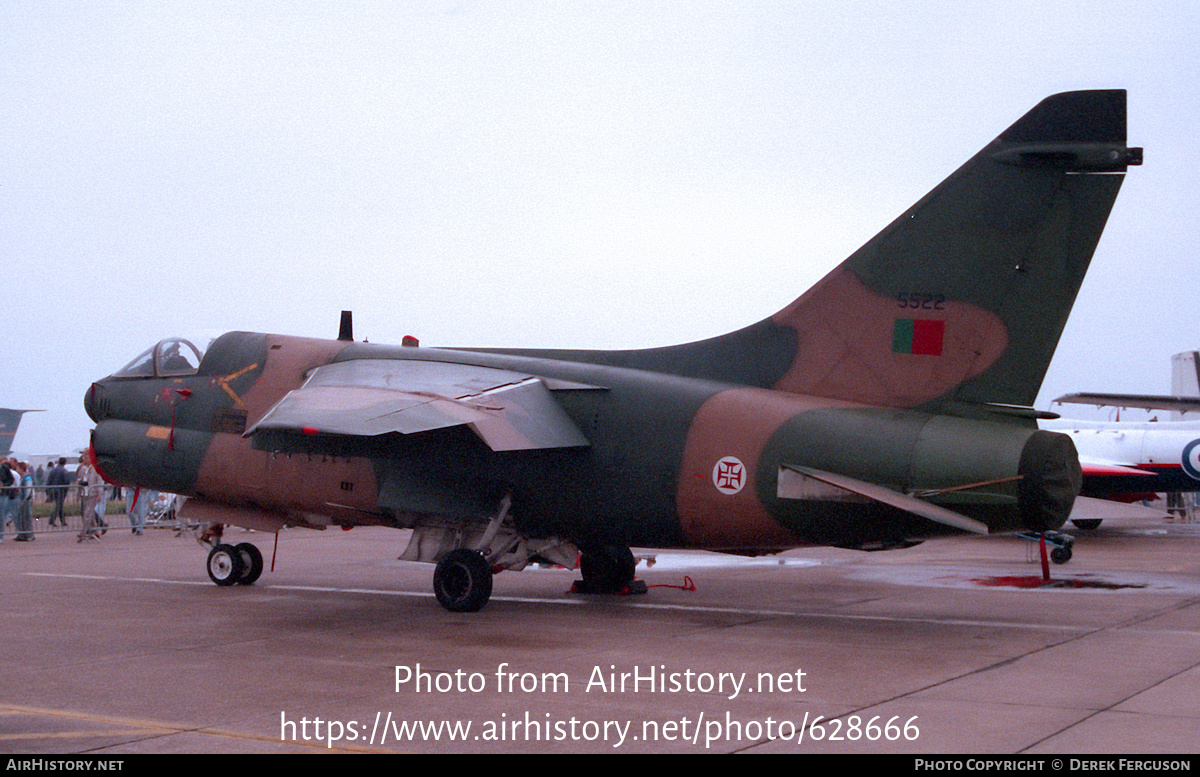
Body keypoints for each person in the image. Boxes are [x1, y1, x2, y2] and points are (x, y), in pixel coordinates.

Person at [76, 451, 103, 542]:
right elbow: (79, 481)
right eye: (84, 457)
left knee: (87, 513)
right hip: (84, 494)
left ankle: (83, 532)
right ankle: (94, 532)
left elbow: (99, 482)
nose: (85, 459)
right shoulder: (82, 469)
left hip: (92, 494)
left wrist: (99, 494)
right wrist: (78, 494)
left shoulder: (95, 469)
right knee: (89, 514)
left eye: (87, 457)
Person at [13, 462, 34, 541]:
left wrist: (25, 499)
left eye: (18, 468)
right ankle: (23, 534)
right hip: (22, 499)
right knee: (21, 517)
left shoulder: (27, 478)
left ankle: (29, 534)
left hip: (25, 500)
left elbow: (28, 490)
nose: (16, 469)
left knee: (26, 517)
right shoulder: (23, 478)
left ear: (21, 469)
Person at [46, 457, 69, 527]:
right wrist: (66, 490)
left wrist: (47, 491)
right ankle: (52, 520)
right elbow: (67, 481)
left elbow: (49, 481)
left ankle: (63, 521)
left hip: (53, 490)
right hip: (61, 490)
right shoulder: (64, 471)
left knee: (59, 505)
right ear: (65, 463)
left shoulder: (53, 470)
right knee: (59, 505)